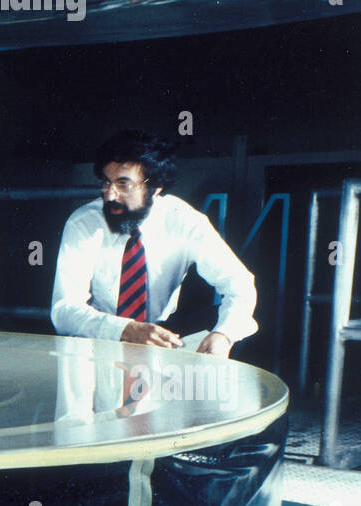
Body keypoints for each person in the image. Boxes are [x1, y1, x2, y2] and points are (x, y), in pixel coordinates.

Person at [50, 130, 257, 357]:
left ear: (155, 187)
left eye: (123, 184)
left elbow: (240, 284)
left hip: (164, 336)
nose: (110, 196)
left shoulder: (186, 221)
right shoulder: (84, 223)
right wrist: (126, 329)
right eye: (106, 182)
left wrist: (224, 334)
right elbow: (64, 310)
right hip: (100, 337)